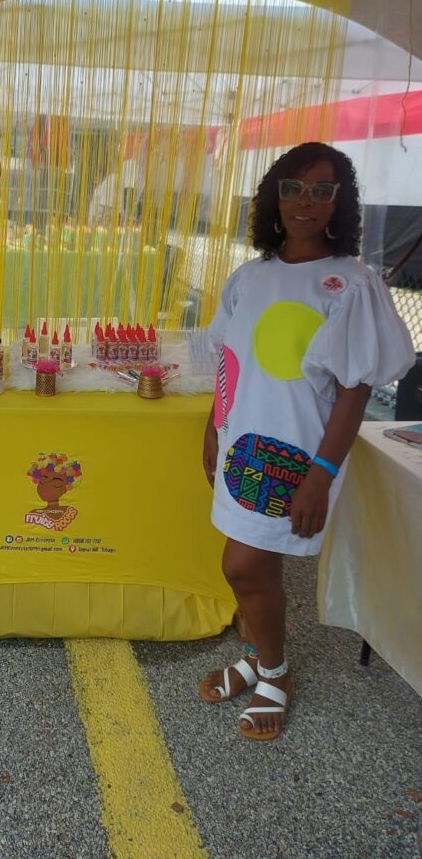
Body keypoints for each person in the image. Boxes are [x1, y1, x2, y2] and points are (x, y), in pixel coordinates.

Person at [198, 141, 414, 741]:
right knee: (255, 565)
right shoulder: (250, 277)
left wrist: (321, 473)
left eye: (322, 190)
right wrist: (211, 427)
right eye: (293, 188)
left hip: (295, 458)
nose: (306, 202)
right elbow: (229, 362)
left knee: (242, 566)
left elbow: (354, 391)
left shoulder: (351, 285)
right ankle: (260, 656)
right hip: (242, 448)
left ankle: (275, 672)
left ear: (340, 202)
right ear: (275, 197)